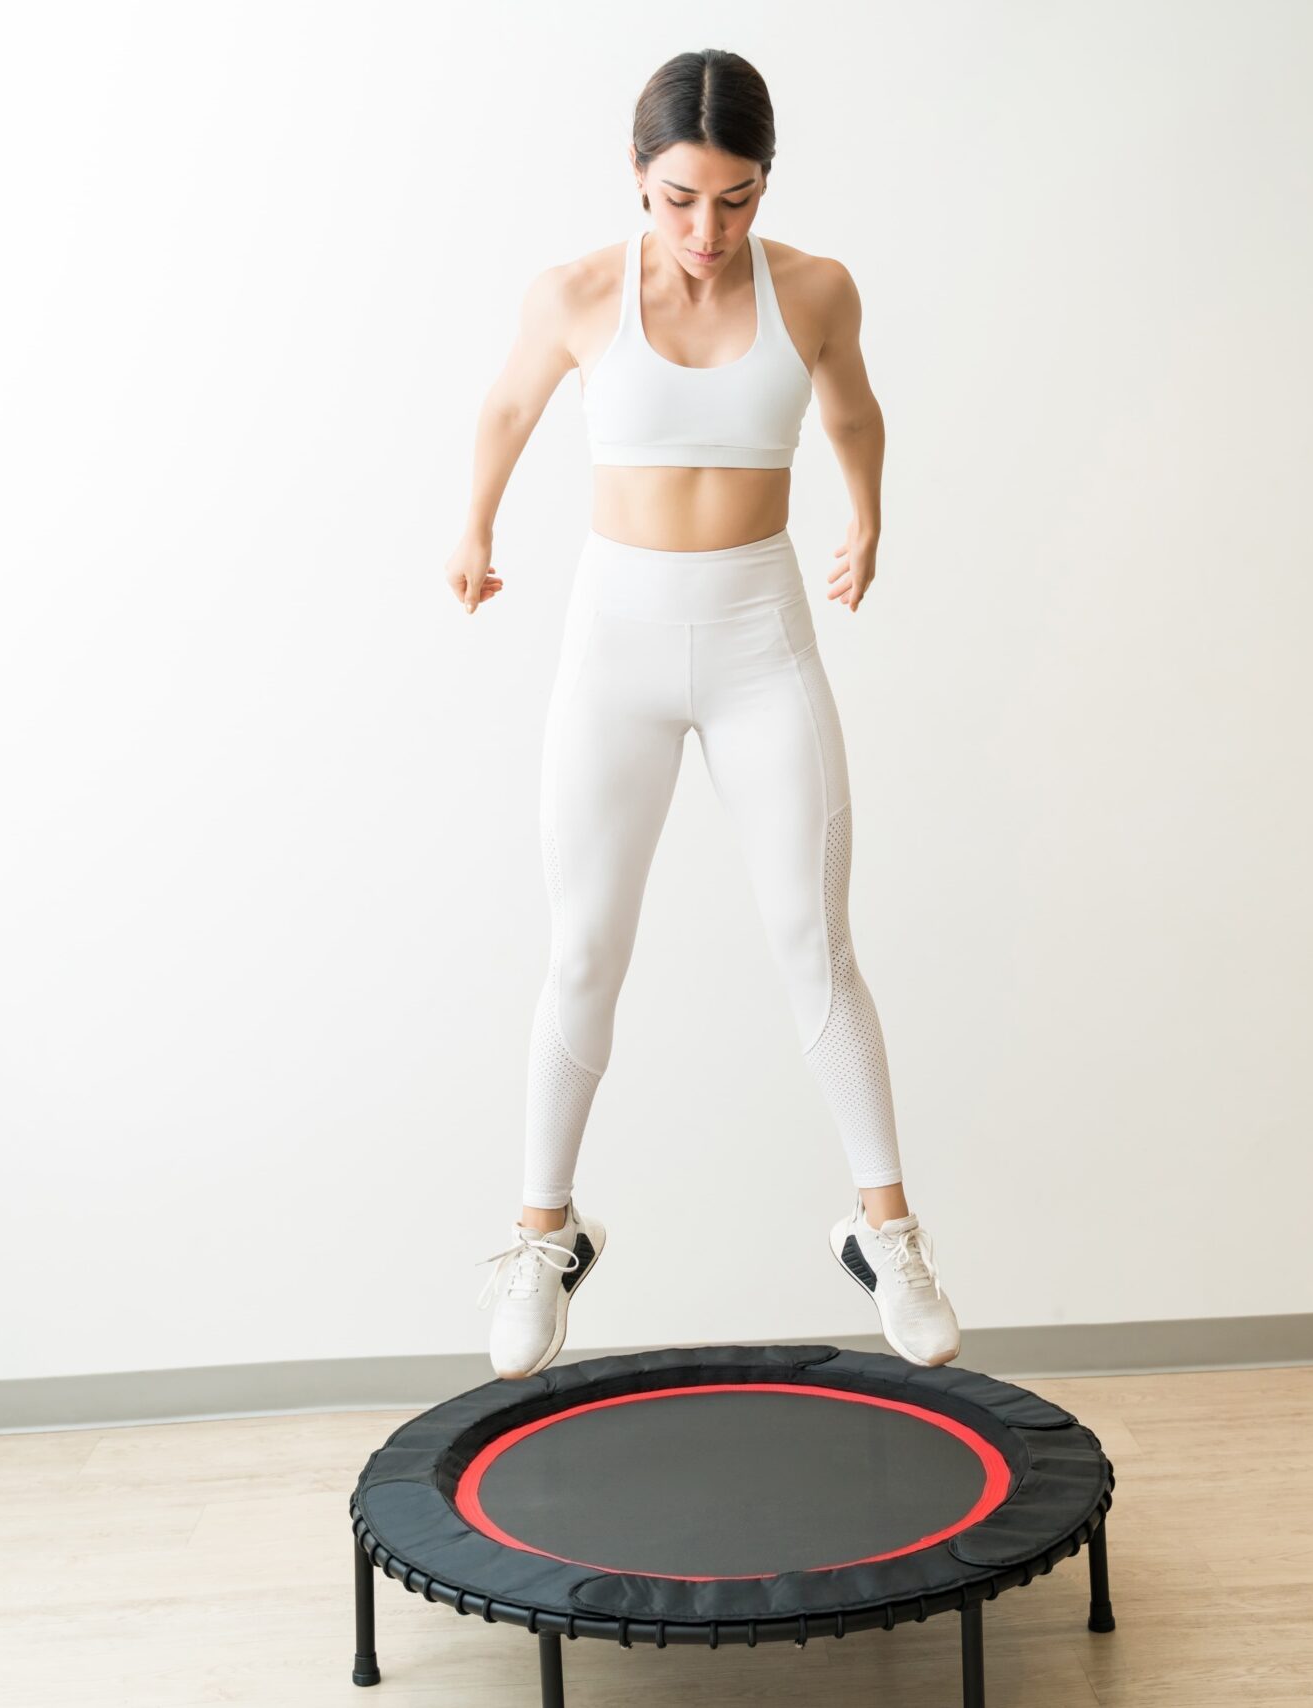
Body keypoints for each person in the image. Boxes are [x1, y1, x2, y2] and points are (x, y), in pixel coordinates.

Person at [442, 49, 958, 1381]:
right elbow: (506, 403)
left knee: (811, 938)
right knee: (583, 952)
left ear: (763, 185)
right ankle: (543, 1236)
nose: (705, 232)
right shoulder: (573, 293)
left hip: (756, 637)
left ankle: (886, 1228)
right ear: (638, 178)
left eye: (733, 202)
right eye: (678, 200)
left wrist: (870, 520)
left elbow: (855, 412)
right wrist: (474, 527)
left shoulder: (818, 290)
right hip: (614, 643)